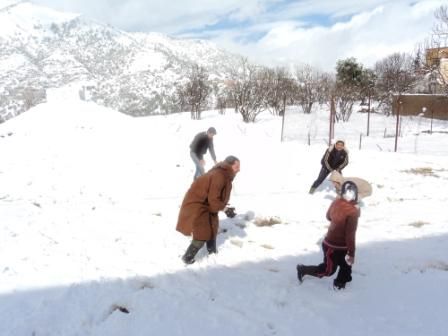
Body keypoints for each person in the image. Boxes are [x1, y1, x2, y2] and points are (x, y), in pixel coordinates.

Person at [176, 155, 240, 264]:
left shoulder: (224, 174)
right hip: (197, 206)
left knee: (213, 226)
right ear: (229, 165)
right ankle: (187, 258)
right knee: (202, 232)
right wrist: (225, 209)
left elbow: (214, 198)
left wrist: (225, 207)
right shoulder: (219, 175)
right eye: (237, 166)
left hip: (207, 204)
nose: (239, 169)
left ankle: (212, 252)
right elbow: (214, 200)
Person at [297, 181, 360, 290]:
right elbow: (350, 234)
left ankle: (340, 284)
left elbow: (328, 216)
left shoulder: (336, 202)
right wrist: (352, 253)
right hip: (332, 246)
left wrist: (338, 218)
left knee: (346, 265)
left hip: (338, 245)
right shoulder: (353, 211)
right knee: (328, 270)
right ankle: (303, 269)